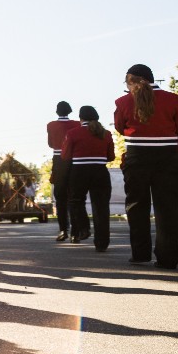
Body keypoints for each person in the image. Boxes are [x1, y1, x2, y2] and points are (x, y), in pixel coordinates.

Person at [114, 64, 178, 268]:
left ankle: (140, 253)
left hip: (136, 156)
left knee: (137, 206)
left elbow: (121, 128)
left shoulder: (122, 102)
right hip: (167, 157)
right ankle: (168, 257)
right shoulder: (175, 100)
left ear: (132, 80)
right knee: (167, 207)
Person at [61, 106, 115, 251]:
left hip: (79, 171)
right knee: (101, 207)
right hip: (100, 171)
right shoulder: (106, 133)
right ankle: (102, 243)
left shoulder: (72, 133)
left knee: (76, 201)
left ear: (81, 118)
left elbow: (65, 156)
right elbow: (111, 157)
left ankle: (83, 228)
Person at [47, 101, 82, 241]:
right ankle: (75, 232)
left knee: (60, 196)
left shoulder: (51, 125)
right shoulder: (76, 124)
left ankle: (63, 229)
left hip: (58, 159)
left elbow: (50, 144)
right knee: (74, 196)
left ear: (57, 112)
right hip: (73, 159)